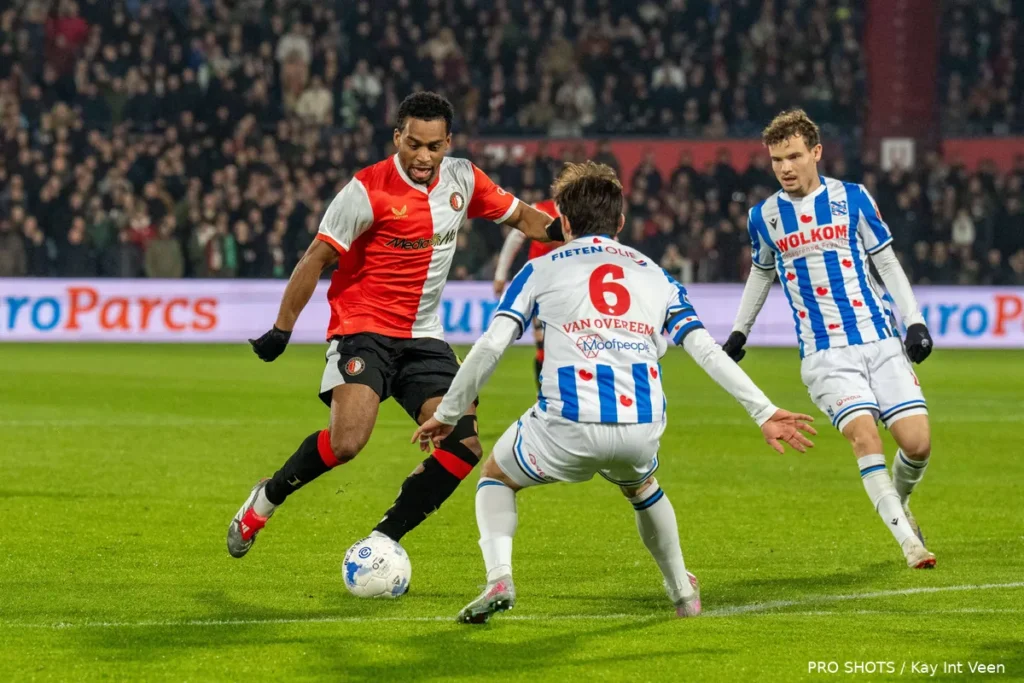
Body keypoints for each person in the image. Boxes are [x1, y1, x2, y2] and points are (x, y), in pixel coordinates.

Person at [413, 162, 816, 623]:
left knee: (495, 478)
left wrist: (448, 411)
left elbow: (490, 346)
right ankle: (682, 590)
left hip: (566, 427)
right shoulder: (656, 275)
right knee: (643, 486)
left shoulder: (540, 269)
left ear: (563, 222)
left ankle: (499, 577)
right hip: (639, 428)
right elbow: (704, 349)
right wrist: (763, 410)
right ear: (620, 223)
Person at [227, 92, 558, 565]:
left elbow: (526, 218)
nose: (423, 157)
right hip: (363, 327)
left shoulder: (464, 178)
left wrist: (579, 234)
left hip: (424, 335)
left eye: (434, 146)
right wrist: (282, 328)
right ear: (397, 136)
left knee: (463, 447)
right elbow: (316, 258)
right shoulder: (365, 190)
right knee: (347, 443)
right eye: (414, 144)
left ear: (449, 142)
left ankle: (384, 539)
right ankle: (266, 499)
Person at [720, 110, 937, 569]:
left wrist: (913, 320)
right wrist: (740, 330)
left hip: (879, 338)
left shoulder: (853, 199)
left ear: (816, 152)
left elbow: (887, 263)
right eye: (777, 159)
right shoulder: (764, 217)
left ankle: (897, 507)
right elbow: (761, 272)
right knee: (864, 436)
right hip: (825, 353)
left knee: (916, 444)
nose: (785, 167)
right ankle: (909, 544)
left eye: (794, 155)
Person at [493, 198, 564, 387]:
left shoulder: (580, 215)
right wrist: (501, 274)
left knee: (563, 344)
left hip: (567, 286)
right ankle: (543, 395)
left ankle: (559, 392)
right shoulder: (539, 210)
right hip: (540, 286)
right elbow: (513, 240)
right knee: (543, 344)